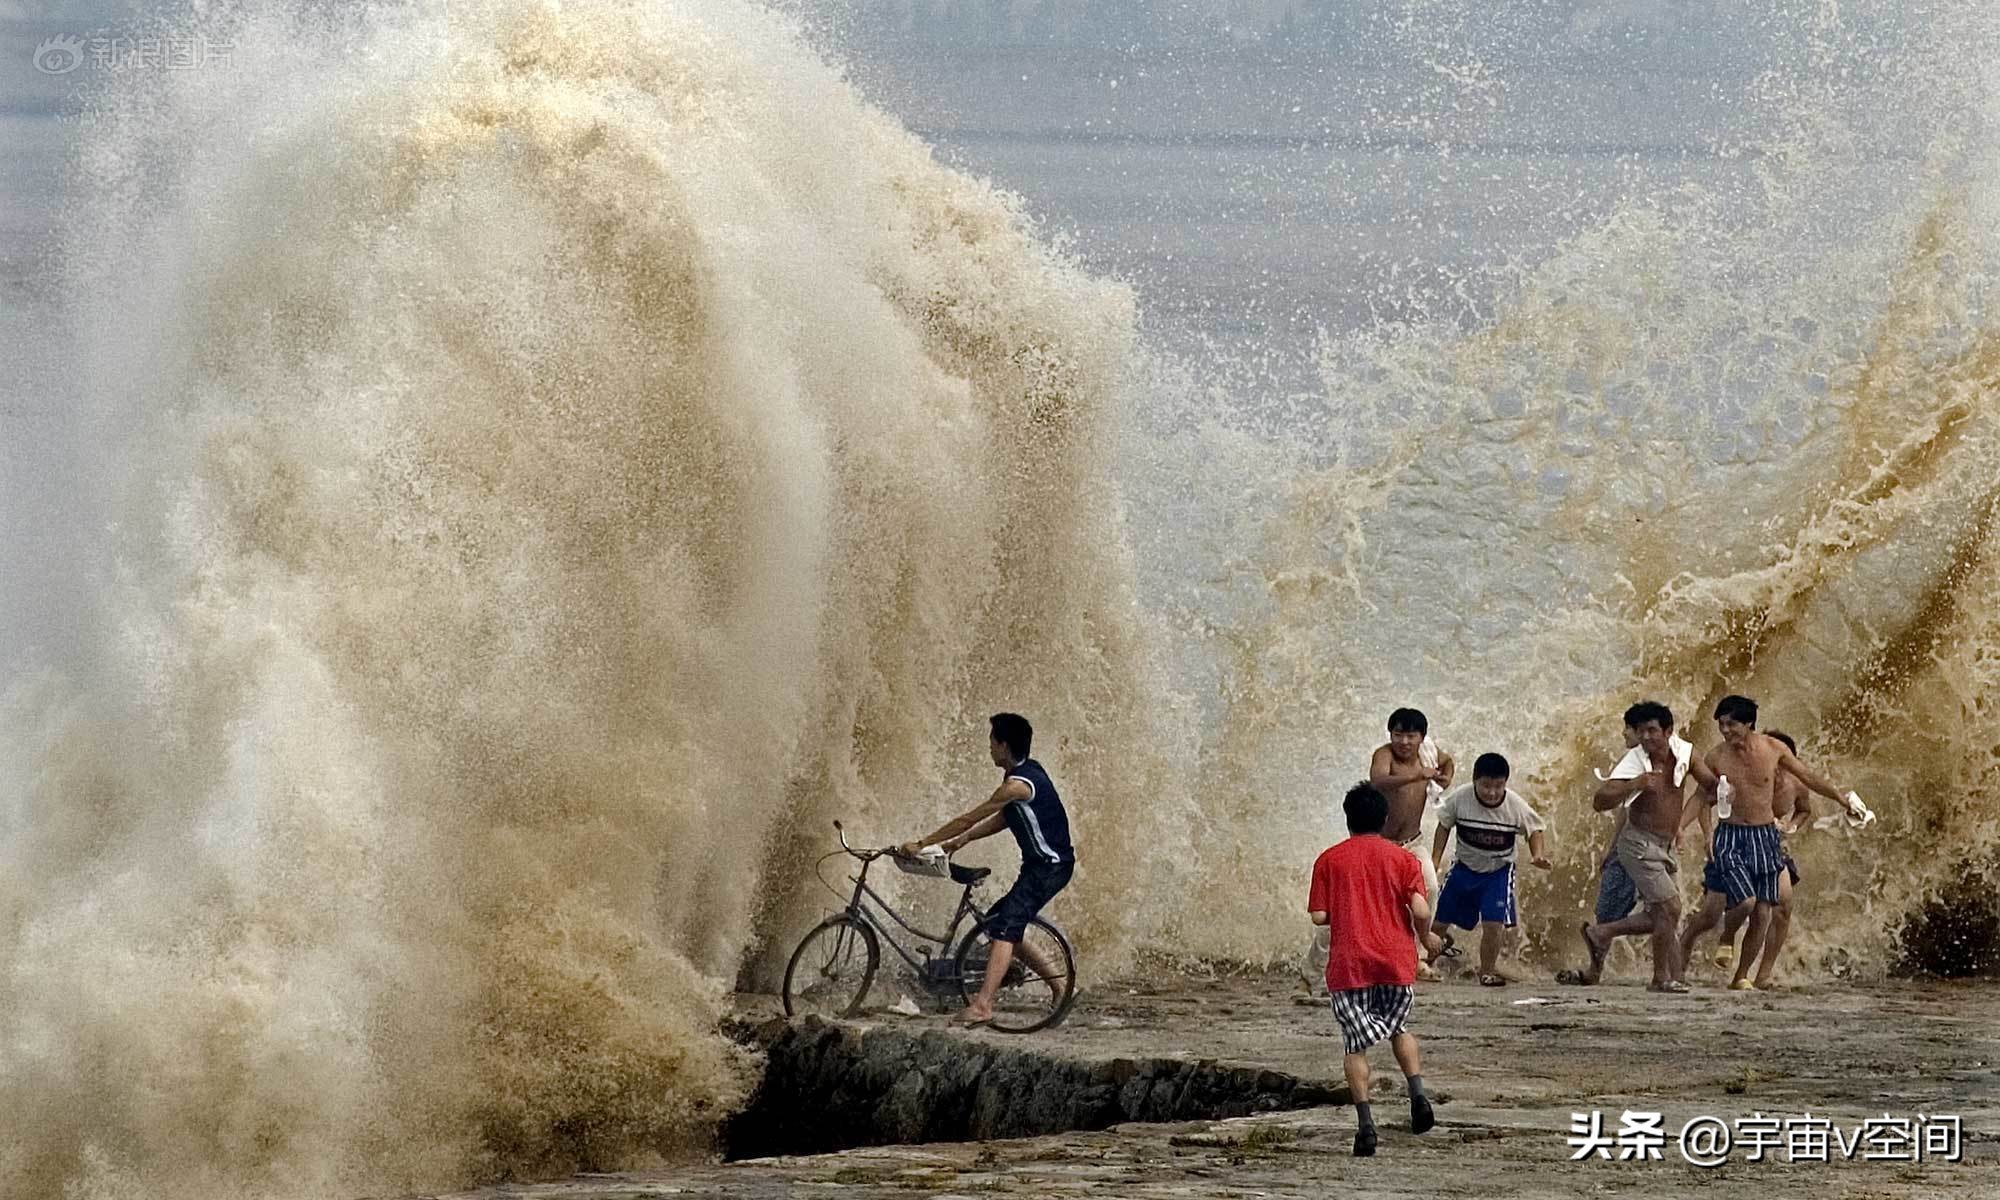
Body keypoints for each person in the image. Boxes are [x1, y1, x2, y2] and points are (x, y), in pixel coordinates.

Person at [902, 713, 1074, 1026]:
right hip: (1043, 865)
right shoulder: (1027, 773)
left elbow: (969, 816)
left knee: (1005, 929)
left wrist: (922, 842)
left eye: (992, 740)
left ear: (1004, 745)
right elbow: (1009, 817)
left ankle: (983, 1005)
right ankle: (1060, 987)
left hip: (1049, 867)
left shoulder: (1014, 786)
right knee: (1003, 923)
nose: (989, 746)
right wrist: (961, 841)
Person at [1676, 697, 1856, 991]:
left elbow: (1807, 777)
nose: (1725, 730)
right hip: (1731, 836)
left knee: (1763, 912)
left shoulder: (1774, 750)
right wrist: (1681, 828)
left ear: (1748, 724)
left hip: (1765, 837)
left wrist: (1840, 798)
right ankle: (1726, 937)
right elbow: (1701, 797)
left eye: (1731, 724)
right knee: (1744, 902)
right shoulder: (1716, 757)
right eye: (1720, 724)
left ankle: (1741, 977)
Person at [1308, 782, 1442, 1157]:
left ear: (1347, 819)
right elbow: (1419, 909)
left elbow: (1320, 916)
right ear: (1384, 819)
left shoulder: (1329, 860)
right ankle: (1417, 1094)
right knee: (1398, 1028)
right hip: (1394, 960)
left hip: (1350, 965)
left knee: (1355, 1044)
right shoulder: (1403, 861)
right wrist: (1426, 939)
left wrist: (1346, 909)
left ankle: (1366, 1123)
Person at [1578, 701, 1715, 993]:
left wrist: (1684, 822)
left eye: (1653, 730)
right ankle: (1660, 978)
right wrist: (1634, 785)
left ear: (1668, 731)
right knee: (1671, 907)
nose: (1647, 737)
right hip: (1638, 843)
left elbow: (1709, 787)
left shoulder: (1685, 754)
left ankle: (1605, 935)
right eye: (1641, 731)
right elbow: (1600, 800)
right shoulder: (1634, 760)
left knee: (1665, 913)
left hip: (1664, 845)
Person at [1426, 753, 1550, 986]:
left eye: (1498, 786)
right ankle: (1426, 963)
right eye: (1485, 786)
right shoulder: (1461, 798)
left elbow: (1535, 829)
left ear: (1505, 783)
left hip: (1498, 873)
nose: (1492, 792)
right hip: (1463, 868)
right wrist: (1435, 858)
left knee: (1494, 925)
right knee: (1439, 922)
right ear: (1475, 781)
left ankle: (1487, 971)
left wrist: (1538, 855)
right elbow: (1444, 825)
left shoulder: (1514, 804)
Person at [1710, 730, 1807, 984]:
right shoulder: (1747, 775)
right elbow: (1711, 800)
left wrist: (1791, 827)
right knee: (1712, 913)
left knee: (1781, 906)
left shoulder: (1796, 784)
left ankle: (1761, 974)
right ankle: (1703, 949)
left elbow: (1804, 811)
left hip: (1774, 850)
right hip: (1737, 847)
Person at [1555, 729, 1641, 987]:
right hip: (1630, 848)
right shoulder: (1634, 764)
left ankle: (1669, 970)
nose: (1624, 732)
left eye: (1629, 728)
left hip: (1640, 848)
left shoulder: (1643, 763)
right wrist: (1611, 846)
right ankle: (1596, 969)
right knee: (1611, 911)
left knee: (1663, 911)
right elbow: (1624, 812)